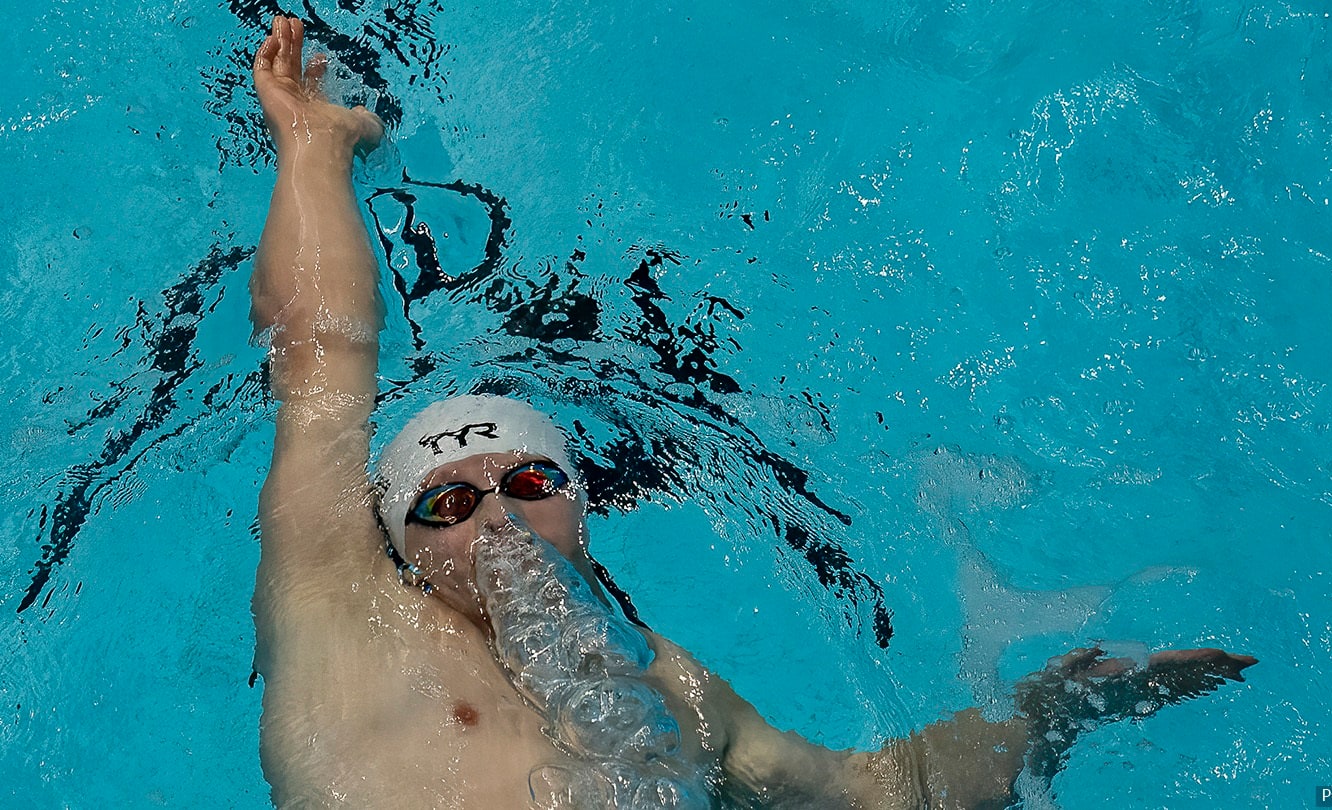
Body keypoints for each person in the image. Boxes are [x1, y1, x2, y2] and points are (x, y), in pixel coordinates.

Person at [249, 15, 1256, 809]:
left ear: (581, 505)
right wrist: (313, 146)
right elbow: (320, 359)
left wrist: (1052, 708)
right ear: (399, 546)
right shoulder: (345, 614)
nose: (497, 517)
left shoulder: (677, 694)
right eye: (447, 506)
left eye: (524, 483)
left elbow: (878, 795)